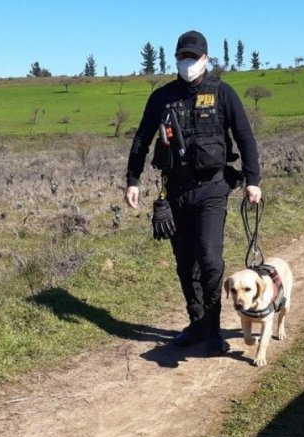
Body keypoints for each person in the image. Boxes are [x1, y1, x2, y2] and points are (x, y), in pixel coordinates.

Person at [124, 29, 261, 355]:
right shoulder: (161, 97)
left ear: (206, 59)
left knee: (210, 259)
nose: (187, 63)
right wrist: (133, 180)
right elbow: (141, 139)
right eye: (182, 57)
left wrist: (253, 180)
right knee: (185, 262)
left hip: (212, 188)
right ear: (177, 59)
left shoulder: (223, 94)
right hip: (174, 192)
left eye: (193, 57)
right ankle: (197, 322)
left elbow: (245, 138)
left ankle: (213, 331)